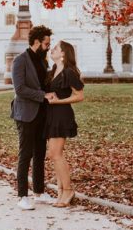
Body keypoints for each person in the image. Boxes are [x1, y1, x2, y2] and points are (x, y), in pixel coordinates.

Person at [10, 25, 56, 210]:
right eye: (46, 43)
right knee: (25, 154)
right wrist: (42, 96)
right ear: (36, 42)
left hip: (42, 114)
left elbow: (44, 84)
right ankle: (22, 195)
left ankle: (39, 192)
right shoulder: (19, 61)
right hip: (25, 114)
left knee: (40, 154)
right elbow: (19, 89)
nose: (48, 46)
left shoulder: (43, 61)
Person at [45, 40, 85, 208]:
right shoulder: (53, 70)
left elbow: (79, 95)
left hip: (61, 115)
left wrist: (59, 101)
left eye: (55, 48)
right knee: (53, 155)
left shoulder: (68, 72)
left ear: (63, 54)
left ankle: (68, 190)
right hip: (51, 115)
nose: (51, 49)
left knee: (56, 154)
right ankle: (61, 190)